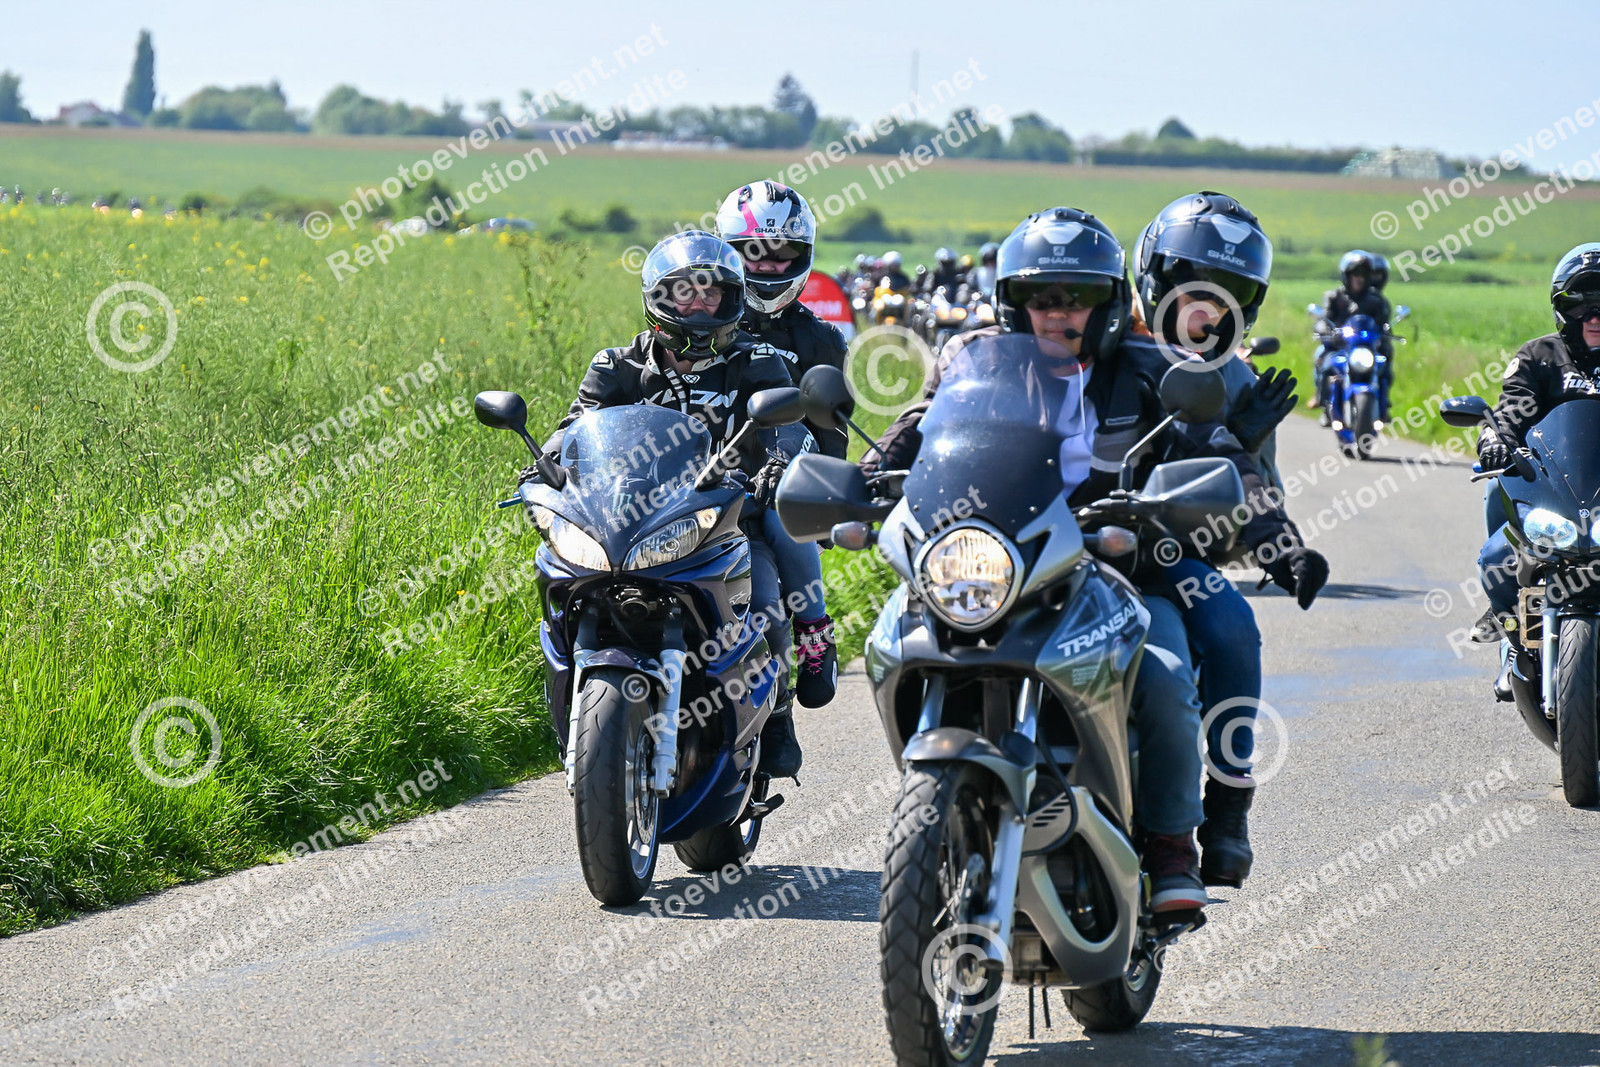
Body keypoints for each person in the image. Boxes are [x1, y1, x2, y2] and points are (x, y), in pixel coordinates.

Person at [867, 207, 1239, 914]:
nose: (1058, 312)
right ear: (1013, 302)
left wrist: (1208, 491)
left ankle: (1170, 842)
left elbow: (1208, 448)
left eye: (1079, 296)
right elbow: (921, 423)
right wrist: (869, 475)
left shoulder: (1150, 368)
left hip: (1114, 570)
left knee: (1163, 675)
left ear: (1109, 303)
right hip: (996, 563)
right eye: (1039, 296)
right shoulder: (974, 359)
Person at [546, 230, 813, 777]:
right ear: (658, 297)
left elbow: (787, 428)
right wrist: (543, 465)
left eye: (711, 293)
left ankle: (777, 714)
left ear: (730, 299)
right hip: (631, 523)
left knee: (764, 603)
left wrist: (777, 464)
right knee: (563, 584)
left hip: (727, 523)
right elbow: (574, 426)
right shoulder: (617, 365)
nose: (699, 304)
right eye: (685, 291)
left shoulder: (756, 362)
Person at [1133, 190, 1329, 886]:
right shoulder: (1101, 346)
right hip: (1069, 542)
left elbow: (1249, 496)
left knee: (1233, 629)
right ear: (1156, 280)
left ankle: (1226, 810)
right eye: (1196, 293)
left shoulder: (1236, 378)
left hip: (1168, 555)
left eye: (1229, 299)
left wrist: (1284, 548)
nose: (1210, 314)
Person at [715, 181, 842, 721]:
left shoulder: (821, 339)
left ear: (804, 256)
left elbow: (832, 430)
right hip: (707, 472)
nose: (768, 266)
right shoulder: (703, 321)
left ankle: (814, 628)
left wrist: (822, 491)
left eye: (782, 253)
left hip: (783, 472)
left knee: (784, 512)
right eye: (753, 252)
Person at [1470, 243, 1600, 695]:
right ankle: (1514, 636)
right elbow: (1511, 410)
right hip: (1554, 490)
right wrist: (1494, 439)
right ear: (1563, 308)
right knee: (1497, 548)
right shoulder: (1539, 357)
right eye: (1582, 306)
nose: (1595, 318)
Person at [1311, 250, 1394, 420]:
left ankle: (1383, 404)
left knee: (1385, 364)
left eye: (1364, 275)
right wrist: (1325, 331)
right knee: (1323, 361)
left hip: (1366, 347)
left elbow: (1384, 324)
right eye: (1356, 274)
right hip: (1339, 346)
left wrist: (1384, 335)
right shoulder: (1334, 297)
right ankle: (1324, 403)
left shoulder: (1376, 300)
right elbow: (1324, 319)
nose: (1359, 279)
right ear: (1347, 276)